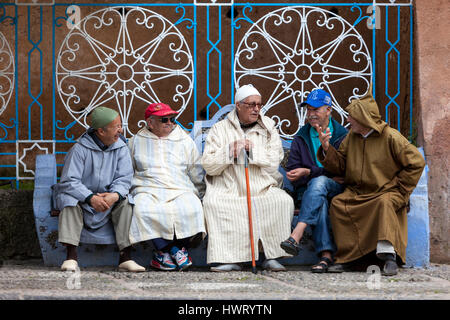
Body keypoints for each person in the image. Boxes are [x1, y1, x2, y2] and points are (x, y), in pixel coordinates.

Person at [316, 88, 425, 276]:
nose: (348, 120)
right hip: (358, 192)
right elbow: (340, 165)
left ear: (363, 119)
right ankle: (349, 258)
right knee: (339, 204)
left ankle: (389, 258)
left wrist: (401, 187)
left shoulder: (391, 137)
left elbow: (417, 162)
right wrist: (326, 148)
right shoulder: (352, 137)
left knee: (384, 203)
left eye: (351, 117)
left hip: (387, 192)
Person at [201, 84, 294, 272]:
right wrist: (229, 151)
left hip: (261, 186)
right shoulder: (219, 129)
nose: (256, 109)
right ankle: (229, 258)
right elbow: (209, 165)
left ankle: (271, 255)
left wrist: (254, 151)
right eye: (251, 105)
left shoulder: (269, 127)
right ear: (238, 105)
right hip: (229, 186)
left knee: (282, 200)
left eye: (259, 105)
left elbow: (274, 161)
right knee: (214, 203)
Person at [54, 107, 145, 272]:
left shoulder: (121, 148)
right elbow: (69, 181)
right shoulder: (79, 149)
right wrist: (90, 197)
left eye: (120, 125)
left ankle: (125, 257)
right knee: (69, 202)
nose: (120, 130)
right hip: (83, 199)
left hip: (107, 200)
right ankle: (71, 257)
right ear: (101, 131)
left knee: (126, 203)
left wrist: (114, 195)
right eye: (116, 126)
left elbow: (124, 178)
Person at [127, 103, 206, 271]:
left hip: (180, 188)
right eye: (164, 119)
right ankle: (174, 250)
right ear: (150, 123)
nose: (170, 122)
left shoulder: (184, 139)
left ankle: (163, 254)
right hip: (147, 188)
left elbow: (195, 169)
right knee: (142, 208)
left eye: (172, 119)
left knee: (192, 207)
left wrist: (200, 192)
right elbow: (128, 170)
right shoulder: (135, 141)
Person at [280, 88, 348, 273]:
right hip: (310, 193)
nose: (311, 114)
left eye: (316, 109)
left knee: (318, 184)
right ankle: (325, 256)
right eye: (308, 109)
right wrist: (317, 173)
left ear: (328, 110)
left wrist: (309, 171)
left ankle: (296, 234)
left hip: (339, 190)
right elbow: (293, 173)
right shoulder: (301, 137)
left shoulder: (343, 135)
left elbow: (345, 171)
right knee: (319, 196)